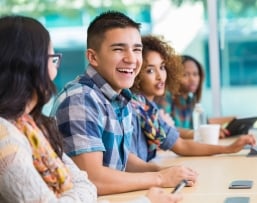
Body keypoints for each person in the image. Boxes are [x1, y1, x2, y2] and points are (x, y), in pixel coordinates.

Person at [51, 10, 197, 196]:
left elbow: (121, 159)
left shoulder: (121, 97)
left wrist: (163, 172)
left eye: (137, 49)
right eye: (119, 49)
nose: (131, 59)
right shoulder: (81, 99)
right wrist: (160, 178)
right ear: (93, 57)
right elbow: (93, 178)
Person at [0, 15, 97, 202]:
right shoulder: (5, 137)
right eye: (52, 58)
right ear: (30, 65)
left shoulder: (34, 126)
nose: (55, 70)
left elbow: (85, 182)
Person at [130, 35, 256, 162]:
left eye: (162, 67)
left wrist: (229, 149)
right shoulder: (135, 106)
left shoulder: (149, 109)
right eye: (150, 70)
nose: (160, 76)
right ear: (136, 72)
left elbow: (181, 145)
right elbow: (131, 165)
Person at [156, 54, 234, 139]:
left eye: (195, 74)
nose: (192, 79)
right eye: (185, 75)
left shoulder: (191, 100)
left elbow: (205, 123)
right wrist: (199, 133)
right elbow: (165, 128)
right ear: (174, 77)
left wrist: (233, 120)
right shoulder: (165, 97)